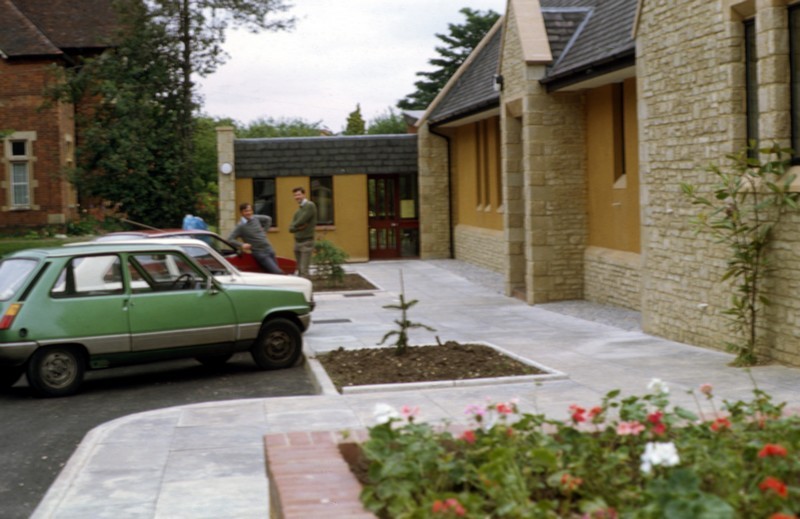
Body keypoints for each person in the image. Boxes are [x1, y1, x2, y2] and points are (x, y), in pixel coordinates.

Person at [227, 202, 283, 274]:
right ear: (241, 213)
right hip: (260, 253)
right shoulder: (240, 226)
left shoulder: (255, 218)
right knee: (277, 272)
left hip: (269, 249)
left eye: (250, 210)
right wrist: (242, 245)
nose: (249, 213)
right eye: (246, 211)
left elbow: (268, 219)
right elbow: (230, 239)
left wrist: (264, 231)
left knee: (272, 274)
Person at [289, 186, 317, 277]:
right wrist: (297, 228)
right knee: (300, 270)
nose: (297, 197)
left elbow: (300, 221)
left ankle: (309, 290)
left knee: (304, 270)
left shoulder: (310, 205)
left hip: (306, 242)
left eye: (299, 194)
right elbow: (291, 228)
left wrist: (296, 226)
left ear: (304, 194)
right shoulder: (298, 210)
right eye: (295, 195)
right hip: (297, 242)